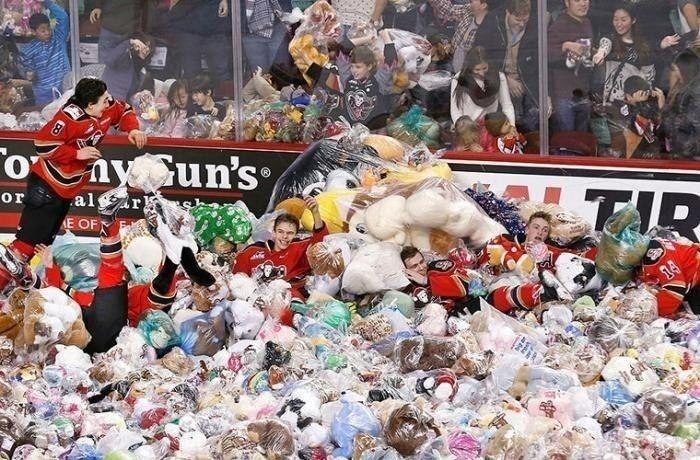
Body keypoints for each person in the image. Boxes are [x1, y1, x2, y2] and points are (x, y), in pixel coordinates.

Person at [0, 187, 215, 354]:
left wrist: (171, 263)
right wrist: (50, 266)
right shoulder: (93, 294)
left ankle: (108, 220)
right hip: (85, 332)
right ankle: (22, 274)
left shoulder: (134, 297)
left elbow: (159, 292)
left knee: (112, 278)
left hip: (108, 336)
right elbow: (61, 294)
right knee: (57, 302)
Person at [0, 77, 147, 291]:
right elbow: (42, 145)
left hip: (65, 192)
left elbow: (124, 110)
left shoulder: (105, 108)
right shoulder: (68, 118)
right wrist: (77, 153)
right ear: (89, 105)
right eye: (104, 101)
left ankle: (13, 292)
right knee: (23, 246)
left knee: (41, 246)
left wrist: (132, 129)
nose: (109, 103)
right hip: (46, 187)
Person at [232, 195, 328, 296]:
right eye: (280, 232)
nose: (285, 236)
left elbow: (321, 243)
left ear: (295, 234)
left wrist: (315, 212)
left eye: (290, 233)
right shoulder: (252, 251)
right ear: (274, 232)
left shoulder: (300, 248)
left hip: (291, 300)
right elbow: (237, 280)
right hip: (255, 302)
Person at [473, 0, 542, 134]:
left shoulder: (535, 25)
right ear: (507, 12)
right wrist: (505, 77)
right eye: (517, 20)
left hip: (526, 84)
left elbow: (539, 63)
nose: (522, 24)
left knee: (534, 121)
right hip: (497, 80)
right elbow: (480, 57)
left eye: (525, 20)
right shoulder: (491, 23)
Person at [591, 4, 657, 105]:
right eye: (615, 19)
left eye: (623, 20)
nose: (619, 24)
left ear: (633, 20)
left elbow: (649, 78)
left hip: (634, 101)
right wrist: (600, 53)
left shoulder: (644, 47)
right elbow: (605, 44)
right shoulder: (611, 39)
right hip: (611, 102)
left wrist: (643, 97)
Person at [547, 0, 594, 133]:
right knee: (566, 142)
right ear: (567, 3)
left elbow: (588, 53)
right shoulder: (558, 26)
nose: (583, 3)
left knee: (581, 141)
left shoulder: (587, 23)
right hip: (564, 95)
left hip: (583, 93)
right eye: (577, 0)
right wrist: (565, 46)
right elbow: (546, 56)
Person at [18, 0, 70, 105]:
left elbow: (63, 17)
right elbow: (25, 69)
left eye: (48, 28)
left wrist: (47, 3)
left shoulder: (58, 37)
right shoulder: (28, 49)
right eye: (42, 30)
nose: (47, 32)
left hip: (65, 87)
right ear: (33, 31)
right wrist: (28, 73)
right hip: (43, 94)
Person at [168, 0, 233, 84]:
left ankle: (223, 95)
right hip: (187, 22)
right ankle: (193, 96)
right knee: (191, 73)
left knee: (220, 72)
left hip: (214, 24)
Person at [400, 246, 478, 314]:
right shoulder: (407, 290)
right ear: (407, 270)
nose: (421, 267)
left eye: (422, 262)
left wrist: (427, 281)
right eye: (414, 266)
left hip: (466, 308)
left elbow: (466, 285)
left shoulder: (439, 267)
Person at [450, 46, 515, 125]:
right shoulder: (459, 79)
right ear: (470, 68)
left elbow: (507, 105)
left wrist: (512, 126)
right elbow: (455, 110)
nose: (482, 73)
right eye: (477, 70)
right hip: (467, 128)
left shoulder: (498, 77)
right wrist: (463, 129)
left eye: (484, 68)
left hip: (489, 127)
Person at [638, 237, 699, 317]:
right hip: (691, 281)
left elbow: (675, 290)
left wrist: (650, 313)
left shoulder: (654, 255)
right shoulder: (647, 247)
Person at [427, 0, 490, 71]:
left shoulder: (487, 31)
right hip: (451, 63)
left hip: (464, 74)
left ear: (483, 5)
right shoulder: (469, 10)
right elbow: (450, 11)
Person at [661, 49, 700, 159]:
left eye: (675, 69)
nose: (675, 74)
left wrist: (663, 109)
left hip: (690, 157)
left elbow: (683, 127)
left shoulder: (694, 94)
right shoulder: (687, 90)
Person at [101, 32, 156, 101]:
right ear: (136, 45)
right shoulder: (122, 58)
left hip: (124, 106)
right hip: (108, 102)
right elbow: (109, 60)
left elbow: (132, 94)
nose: (147, 49)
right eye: (145, 45)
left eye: (150, 47)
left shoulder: (142, 71)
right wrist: (129, 42)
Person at [88, 0, 143, 65]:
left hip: (116, 28)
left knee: (105, 67)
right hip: (122, 28)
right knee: (124, 68)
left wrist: (98, 6)